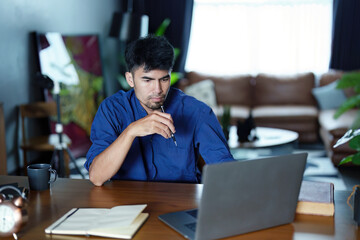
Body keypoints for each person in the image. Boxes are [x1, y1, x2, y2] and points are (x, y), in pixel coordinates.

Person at [85, 35, 234, 186]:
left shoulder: (197, 111)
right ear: (130, 79)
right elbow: (97, 177)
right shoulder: (112, 109)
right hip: (126, 203)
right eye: (147, 80)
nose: (157, 90)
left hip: (181, 202)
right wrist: (130, 132)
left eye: (164, 79)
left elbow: (226, 172)